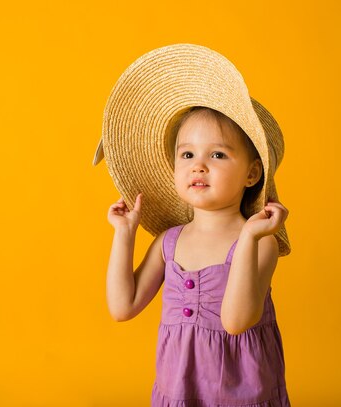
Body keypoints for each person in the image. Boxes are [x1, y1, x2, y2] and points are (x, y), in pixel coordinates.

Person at [94, 44, 292, 406]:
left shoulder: (260, 243)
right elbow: (123, 307)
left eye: (217, 154)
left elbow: (235, 321)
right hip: (179, 391)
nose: (198, 165)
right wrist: (124, 235)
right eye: (187, 154)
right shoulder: (169, 242)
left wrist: (249, 236)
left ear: (251, 173)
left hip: (241, 393)